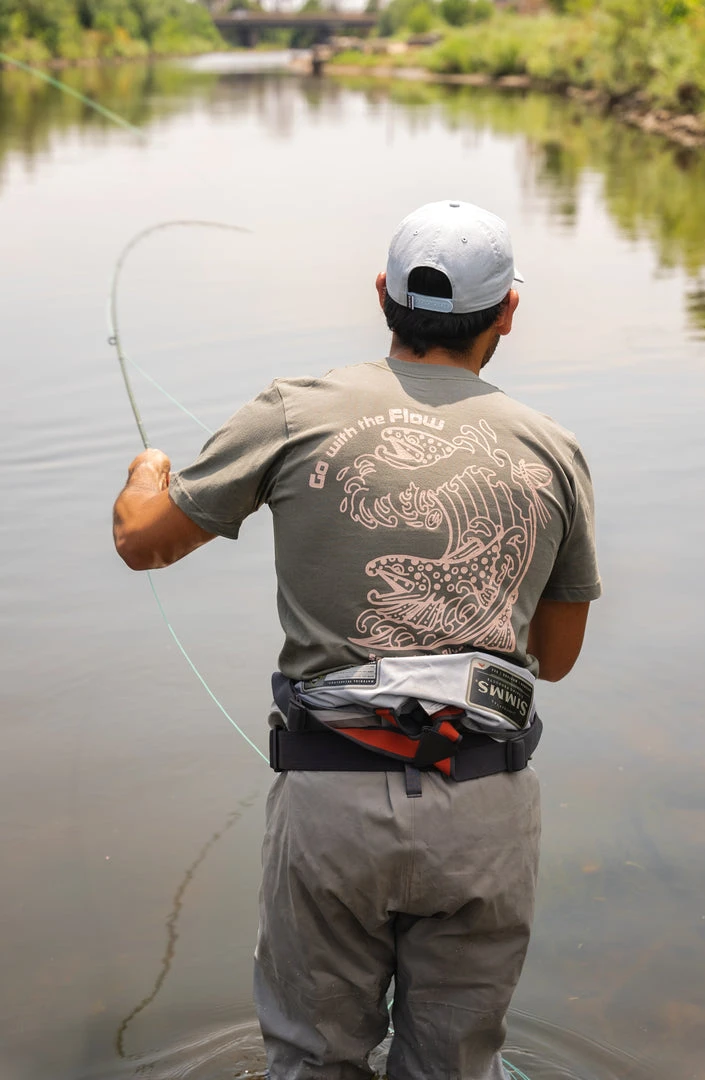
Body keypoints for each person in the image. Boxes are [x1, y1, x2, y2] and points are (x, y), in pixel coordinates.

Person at [113, 200, 601, 1080]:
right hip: (483, 805)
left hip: (330, 797)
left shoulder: (291, 410)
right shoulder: (553, 449)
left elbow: (142, 543)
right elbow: (555, 659)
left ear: (383, 294)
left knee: (313, 1062)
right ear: (506, 312)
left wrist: (148, 473)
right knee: (454, 1067)